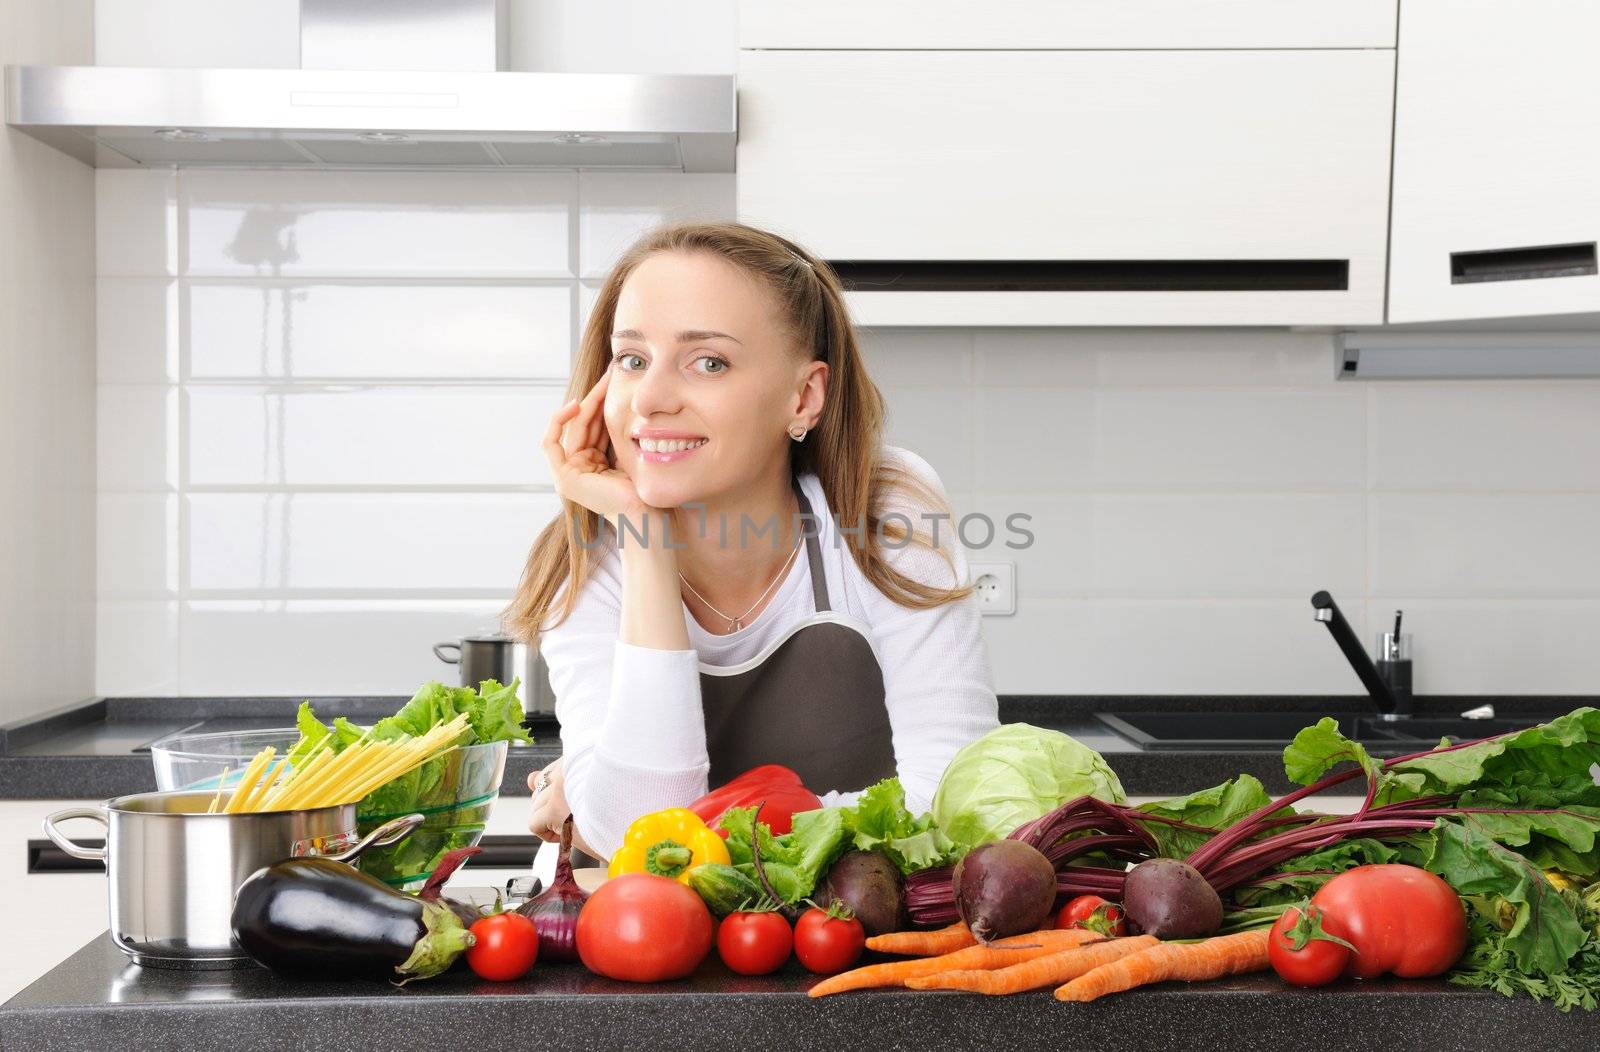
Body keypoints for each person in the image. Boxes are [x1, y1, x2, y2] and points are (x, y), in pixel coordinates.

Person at [504, 221, 999, 862]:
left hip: (850, 936)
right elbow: (644, 841)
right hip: (631, 942)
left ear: (803, 396)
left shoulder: (885, 507)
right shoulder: (586, 555)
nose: (650, 400)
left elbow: (957, 800)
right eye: (631, 360)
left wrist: (603, 790)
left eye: (709, 362)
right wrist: (646, 542)